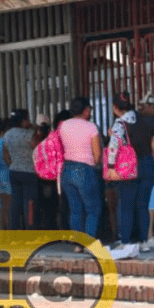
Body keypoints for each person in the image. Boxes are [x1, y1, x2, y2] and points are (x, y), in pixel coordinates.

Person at [107, 92, 154, 251]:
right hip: (148, 163)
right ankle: (144, 241)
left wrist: (111, 167)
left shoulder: (119, 124)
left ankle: (126, 241)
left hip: (128, 166)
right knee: (143, 205)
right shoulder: (144, 120)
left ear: (115, 108)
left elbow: (114, 146)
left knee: (126, 205)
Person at [59, 97, 102, 238]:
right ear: (86, 110)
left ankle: (78, 244)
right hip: (84, 169)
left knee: (75, 209)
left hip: (66, 169)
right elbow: (97, 156)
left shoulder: (63, 125)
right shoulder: (91, 127)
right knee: (92, 209)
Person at [3, 109, 38, 230]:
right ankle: (30, 228)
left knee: (15, 202)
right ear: (23, 121)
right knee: (29, 203)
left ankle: (14, 229)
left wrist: (14, 164)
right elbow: (37, 149)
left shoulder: (7, 134)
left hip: (14, 171)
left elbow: (6, 156)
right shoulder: (29, 134)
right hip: (29, 172)